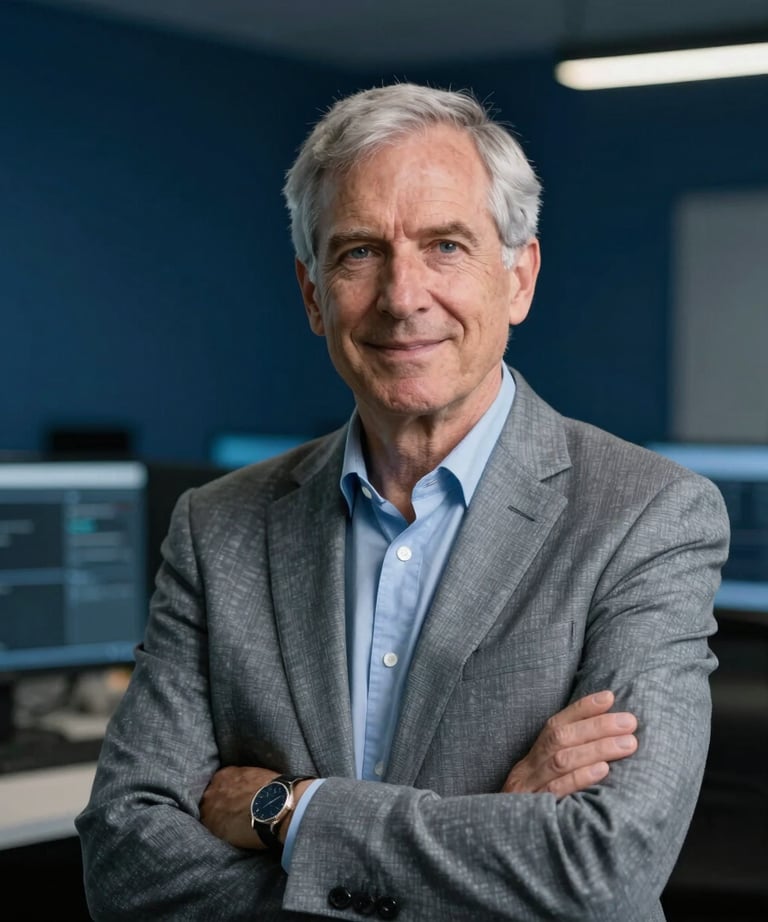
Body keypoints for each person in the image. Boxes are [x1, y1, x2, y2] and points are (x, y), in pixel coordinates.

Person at [76, 82, 730, 921]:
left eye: (446, 245)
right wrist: (496, 826)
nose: (402, 296)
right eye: (357, 253)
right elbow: (126, 867)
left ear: (518, 278)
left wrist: (287, 810)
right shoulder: (218, 527)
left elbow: (603, 871)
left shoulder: (649, 515)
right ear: (314, 295)